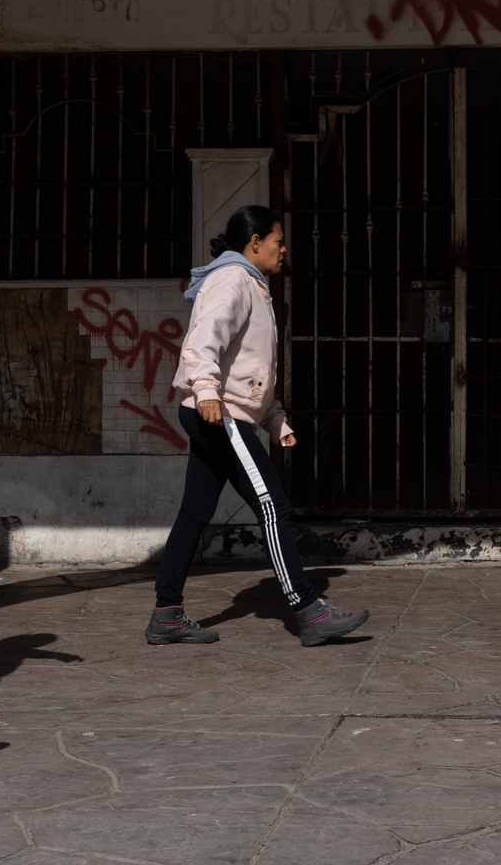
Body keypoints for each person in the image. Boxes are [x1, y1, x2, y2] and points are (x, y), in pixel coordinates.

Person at [149, 205, 369, 647]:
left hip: (221, 408)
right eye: (278, 240)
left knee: (194, 513)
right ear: (255, 243)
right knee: (274, 507)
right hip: (218, 412)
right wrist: (208, 391)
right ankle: (308, 610)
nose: (283, 249)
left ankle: (166, 614)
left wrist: (274, 418)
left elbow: (248, 366)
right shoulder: (233, 279)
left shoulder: (252, 284)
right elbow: (202, 343)